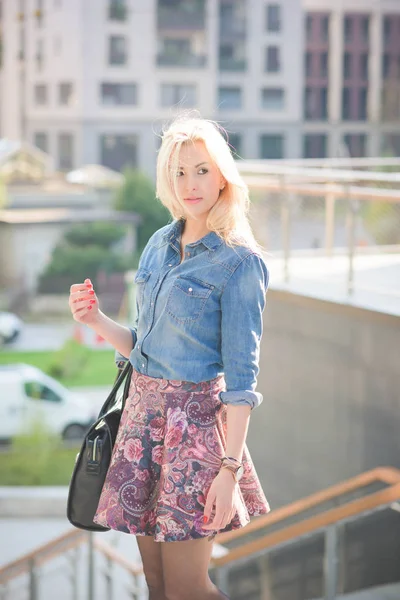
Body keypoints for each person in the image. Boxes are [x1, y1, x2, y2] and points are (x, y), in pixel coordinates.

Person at [68, 114, 270, 600]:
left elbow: (242, 381)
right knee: (158, 585)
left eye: (201, 170)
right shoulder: (160, 244)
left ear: (223, 174)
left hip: (194, 434)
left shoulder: (240, 262)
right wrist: (95, 320)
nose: (190, 184)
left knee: (187, 588)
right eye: (178, 172)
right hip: (142, 425)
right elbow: (145, 347)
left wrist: (229, 470)